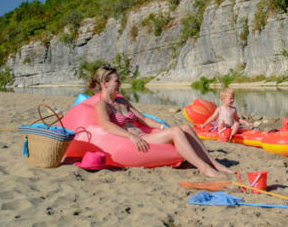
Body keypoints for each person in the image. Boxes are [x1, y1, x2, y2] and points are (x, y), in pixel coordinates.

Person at [90, 66, 233, 178]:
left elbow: (143, 119)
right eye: (117, 81)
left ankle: (213, 162)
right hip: (136, 140)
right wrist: (130, 136)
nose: (120, 83)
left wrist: (162, 126)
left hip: (144, 135)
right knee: (176, 131)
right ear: (105, 84)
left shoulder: (121, 101)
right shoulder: (102, 105)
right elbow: (106, 125)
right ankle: (204, 168)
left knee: (185, 127)